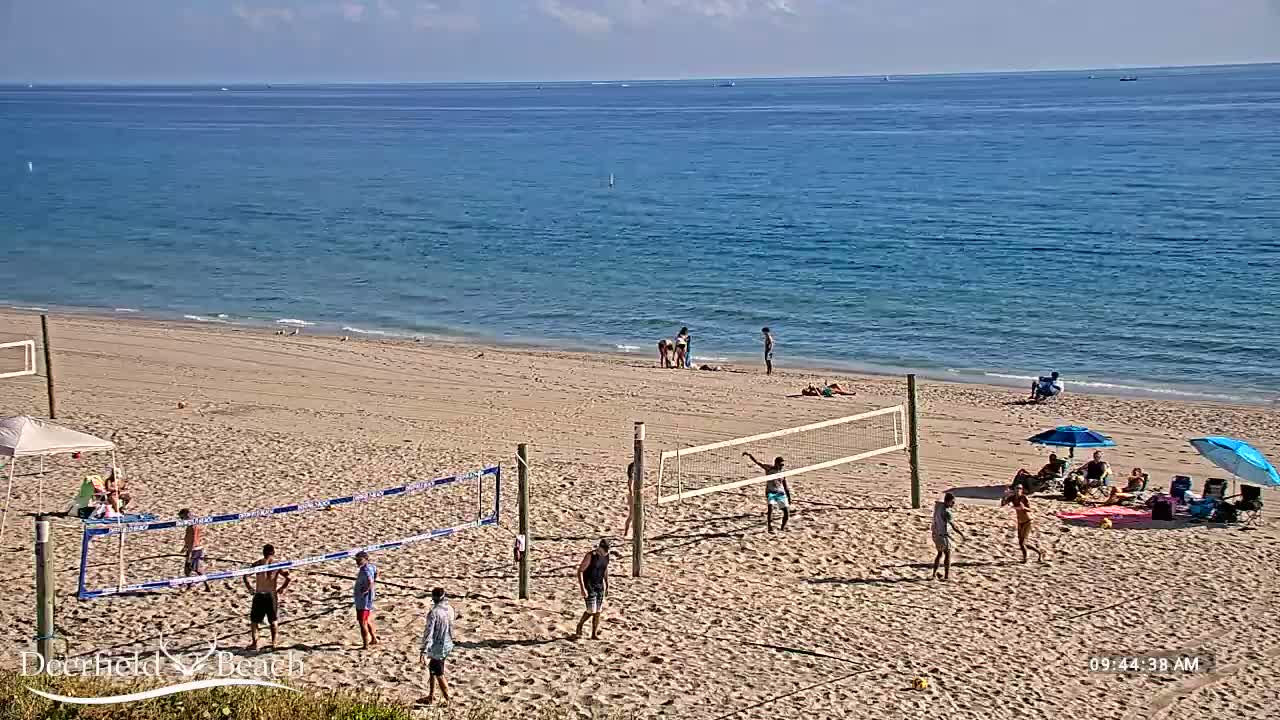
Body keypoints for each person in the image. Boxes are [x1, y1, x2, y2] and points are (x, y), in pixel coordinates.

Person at [243, 544, 291, 651]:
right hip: (271, 595)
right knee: (273, 620)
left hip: (259, 594)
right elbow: (288, 578)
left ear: (263, 553)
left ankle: (255, 643)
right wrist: (282, 588)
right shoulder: (277, 565)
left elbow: (245, 576)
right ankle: (274, 643)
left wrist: (249, 588)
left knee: (254, 621)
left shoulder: (257, 564)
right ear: (273, 553)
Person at [420, 587, 455, 704]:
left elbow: (428, 633)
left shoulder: (433, 613)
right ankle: (430, 696)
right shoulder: (449, 609)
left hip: (438, 647)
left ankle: (448, 699)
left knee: (439, 673)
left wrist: (423, 651)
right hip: (448, 643)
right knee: (432, 669)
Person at [743, 452, 790, 532]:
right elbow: (758, 463)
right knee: (770, 509)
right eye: (781, 465)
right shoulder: (769, 468)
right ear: (776, 463)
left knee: (786, 512)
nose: (782, 467)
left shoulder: (782, 473)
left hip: (780, 493)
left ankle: (782, 528)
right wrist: (750, 455)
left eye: (783, 465)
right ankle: (769, 526)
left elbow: (785, 486)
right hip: (770, 492)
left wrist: (789, 497)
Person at [575, 539, 610, 640]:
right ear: (600, 548)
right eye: (605, 549)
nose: (606, 551)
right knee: (591, 610)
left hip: (599, 585)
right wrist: (582, 588)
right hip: (589, 585)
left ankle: (594, 634)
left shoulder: (606, 556)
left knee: (598, 611)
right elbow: (580, 571)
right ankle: (580, 624)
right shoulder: (591, 556)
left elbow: (605, 569)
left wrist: (607, 584)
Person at [1001, 485, 1046, 563]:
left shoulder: (1024, 498)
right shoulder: (1012, 497)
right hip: (1020, 522)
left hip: (1027, 521)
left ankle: (1026, 559)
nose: (1018, 490)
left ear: (1022, 490)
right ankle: (1039, 552)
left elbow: (1030, 509)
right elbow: (1003, 504)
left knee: (1023, 543)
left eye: (1020, 488)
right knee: (1022, 543)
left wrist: (1023, 508)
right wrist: (1005, 496)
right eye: (1017, 488)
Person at [931, 493, 964, 581]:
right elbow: (953, 526)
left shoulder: (938, 507)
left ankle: (934, 574)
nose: (953, 504)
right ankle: (946, 576)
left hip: (935, 534)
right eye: (952, 502)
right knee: (947, 554)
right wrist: (961, 534)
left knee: (939, 554)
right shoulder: (947, 512)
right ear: (948, 501)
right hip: (942, 535)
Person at [178, 509, 209, 592]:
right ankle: (190, 586)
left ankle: (206, 586)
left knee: (196, 570)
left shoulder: (193, 526)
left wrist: (189, 554)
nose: (182, 519)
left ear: (187, 515)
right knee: (188, 570)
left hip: (194, 550)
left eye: (182, 517)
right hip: (193, 549)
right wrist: (184, 547)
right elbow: (189, 538)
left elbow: (193, 540)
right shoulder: (193, 523)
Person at [354, 551, 378, 649]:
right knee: (367, 620)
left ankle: (365, 644)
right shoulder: (372, 567)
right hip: (367, 599)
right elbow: (377, 572)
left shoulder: (365, 570)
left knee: (362, 622)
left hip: (363, 600)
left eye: (359, 560)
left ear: (365, 559)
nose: (357, 562)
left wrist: (366, 589)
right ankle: (374, 638)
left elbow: (370, 581)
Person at [622, 462, 636, 537]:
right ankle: (627, 532)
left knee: (633, 516)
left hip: (635, 496)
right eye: (633, 470)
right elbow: (630, 489)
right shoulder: (631, 479)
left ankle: (628, 532)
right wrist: (633, 495)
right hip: (632, 497)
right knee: (632, 516)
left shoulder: (635, 478)